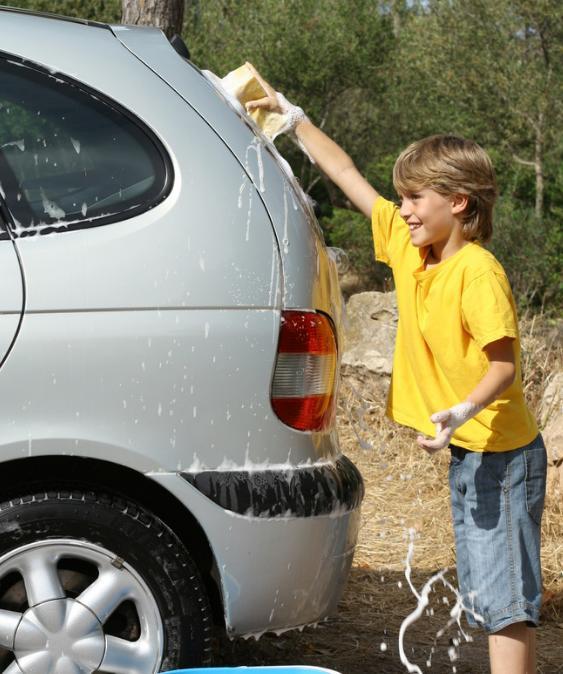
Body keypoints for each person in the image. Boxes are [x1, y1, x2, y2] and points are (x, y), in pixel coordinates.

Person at [243, 63, 548, 674]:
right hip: (470, 450)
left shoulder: (477, 273)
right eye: (402, 197)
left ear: (458, 203)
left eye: (415, 198)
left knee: (503, 598)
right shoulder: (413, 251)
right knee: (486, 589)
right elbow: (347, 173)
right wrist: (291, 118)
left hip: (501, 456)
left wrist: (463, 408)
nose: (402, 209)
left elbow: (505, 367)